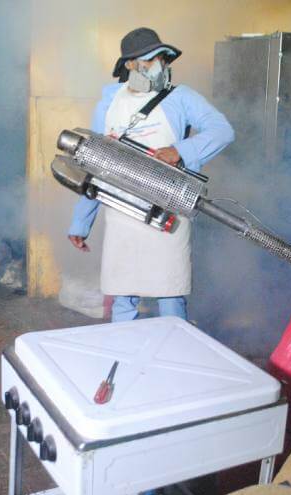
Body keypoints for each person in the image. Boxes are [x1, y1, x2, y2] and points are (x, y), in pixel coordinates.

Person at [67, 27, 234, 322]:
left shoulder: (181, 98)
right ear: (131, 64)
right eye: (152, 59)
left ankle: (172, 348)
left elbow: (223, 131)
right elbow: (94, 164)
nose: (161, 66)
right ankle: (126, 350)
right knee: (123, 297)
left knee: (170, 295)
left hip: (167, 214)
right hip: (122, 214)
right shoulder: (109, 102)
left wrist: (181, 150)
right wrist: (81, 222)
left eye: (164, 59)